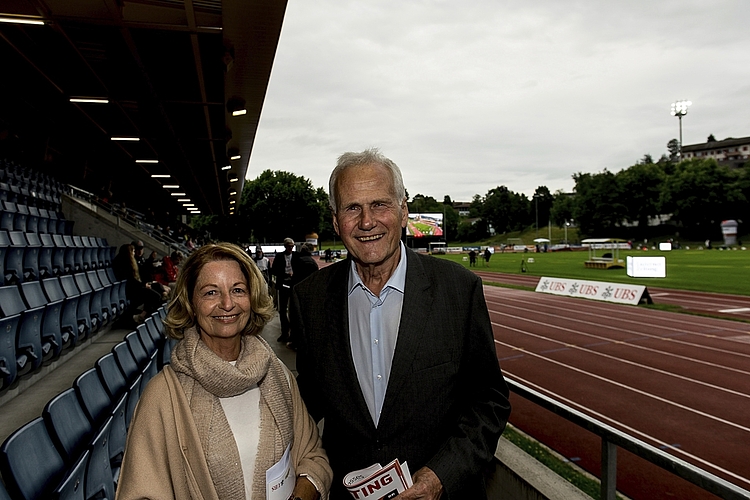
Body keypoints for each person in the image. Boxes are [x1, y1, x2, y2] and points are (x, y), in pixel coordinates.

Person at [291, 148, 511, 500]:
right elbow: (308, 401)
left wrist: (441, 476)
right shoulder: (310, 300)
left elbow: (489, 402)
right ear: (335, 221)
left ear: (403, 211)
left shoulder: (458, 289)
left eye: (379, 204)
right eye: (352, 208)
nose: (366, 221)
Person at [116, 243, 332, 500]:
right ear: (191, 304)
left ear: (251, 298)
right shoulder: (162, 398)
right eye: (210, 293)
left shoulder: (278, 374)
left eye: (238, 290)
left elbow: (312, 454)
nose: (227, 304)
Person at [112, 243, 164, 324]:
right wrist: (144, 285)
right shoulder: (124, 264)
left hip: (134, 286)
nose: (134, 253)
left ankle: (146, 316)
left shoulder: (127, 262)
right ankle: (142, 317)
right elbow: (130, 280)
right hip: (130, 290)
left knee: (157, 287)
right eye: (133, 251)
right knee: (155, 296)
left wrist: (145, 284)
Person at [286, 243, 319, 350]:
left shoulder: (299, 261)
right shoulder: (313, 262)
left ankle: (295, 341)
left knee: (295, 318)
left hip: (299, 294)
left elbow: (295, 278)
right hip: (311, 295)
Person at [271, 238, 299, 343]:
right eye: (288, 246)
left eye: (292, 246)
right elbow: (274, 270)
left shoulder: (296, 256)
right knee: (282, 310)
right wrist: (285, 274)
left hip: (293, 285)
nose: (290, 248)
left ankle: (293, 334)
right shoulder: (279, 256)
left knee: (293, 310)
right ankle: (284, 333)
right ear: (285, 246)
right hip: (283, 285)